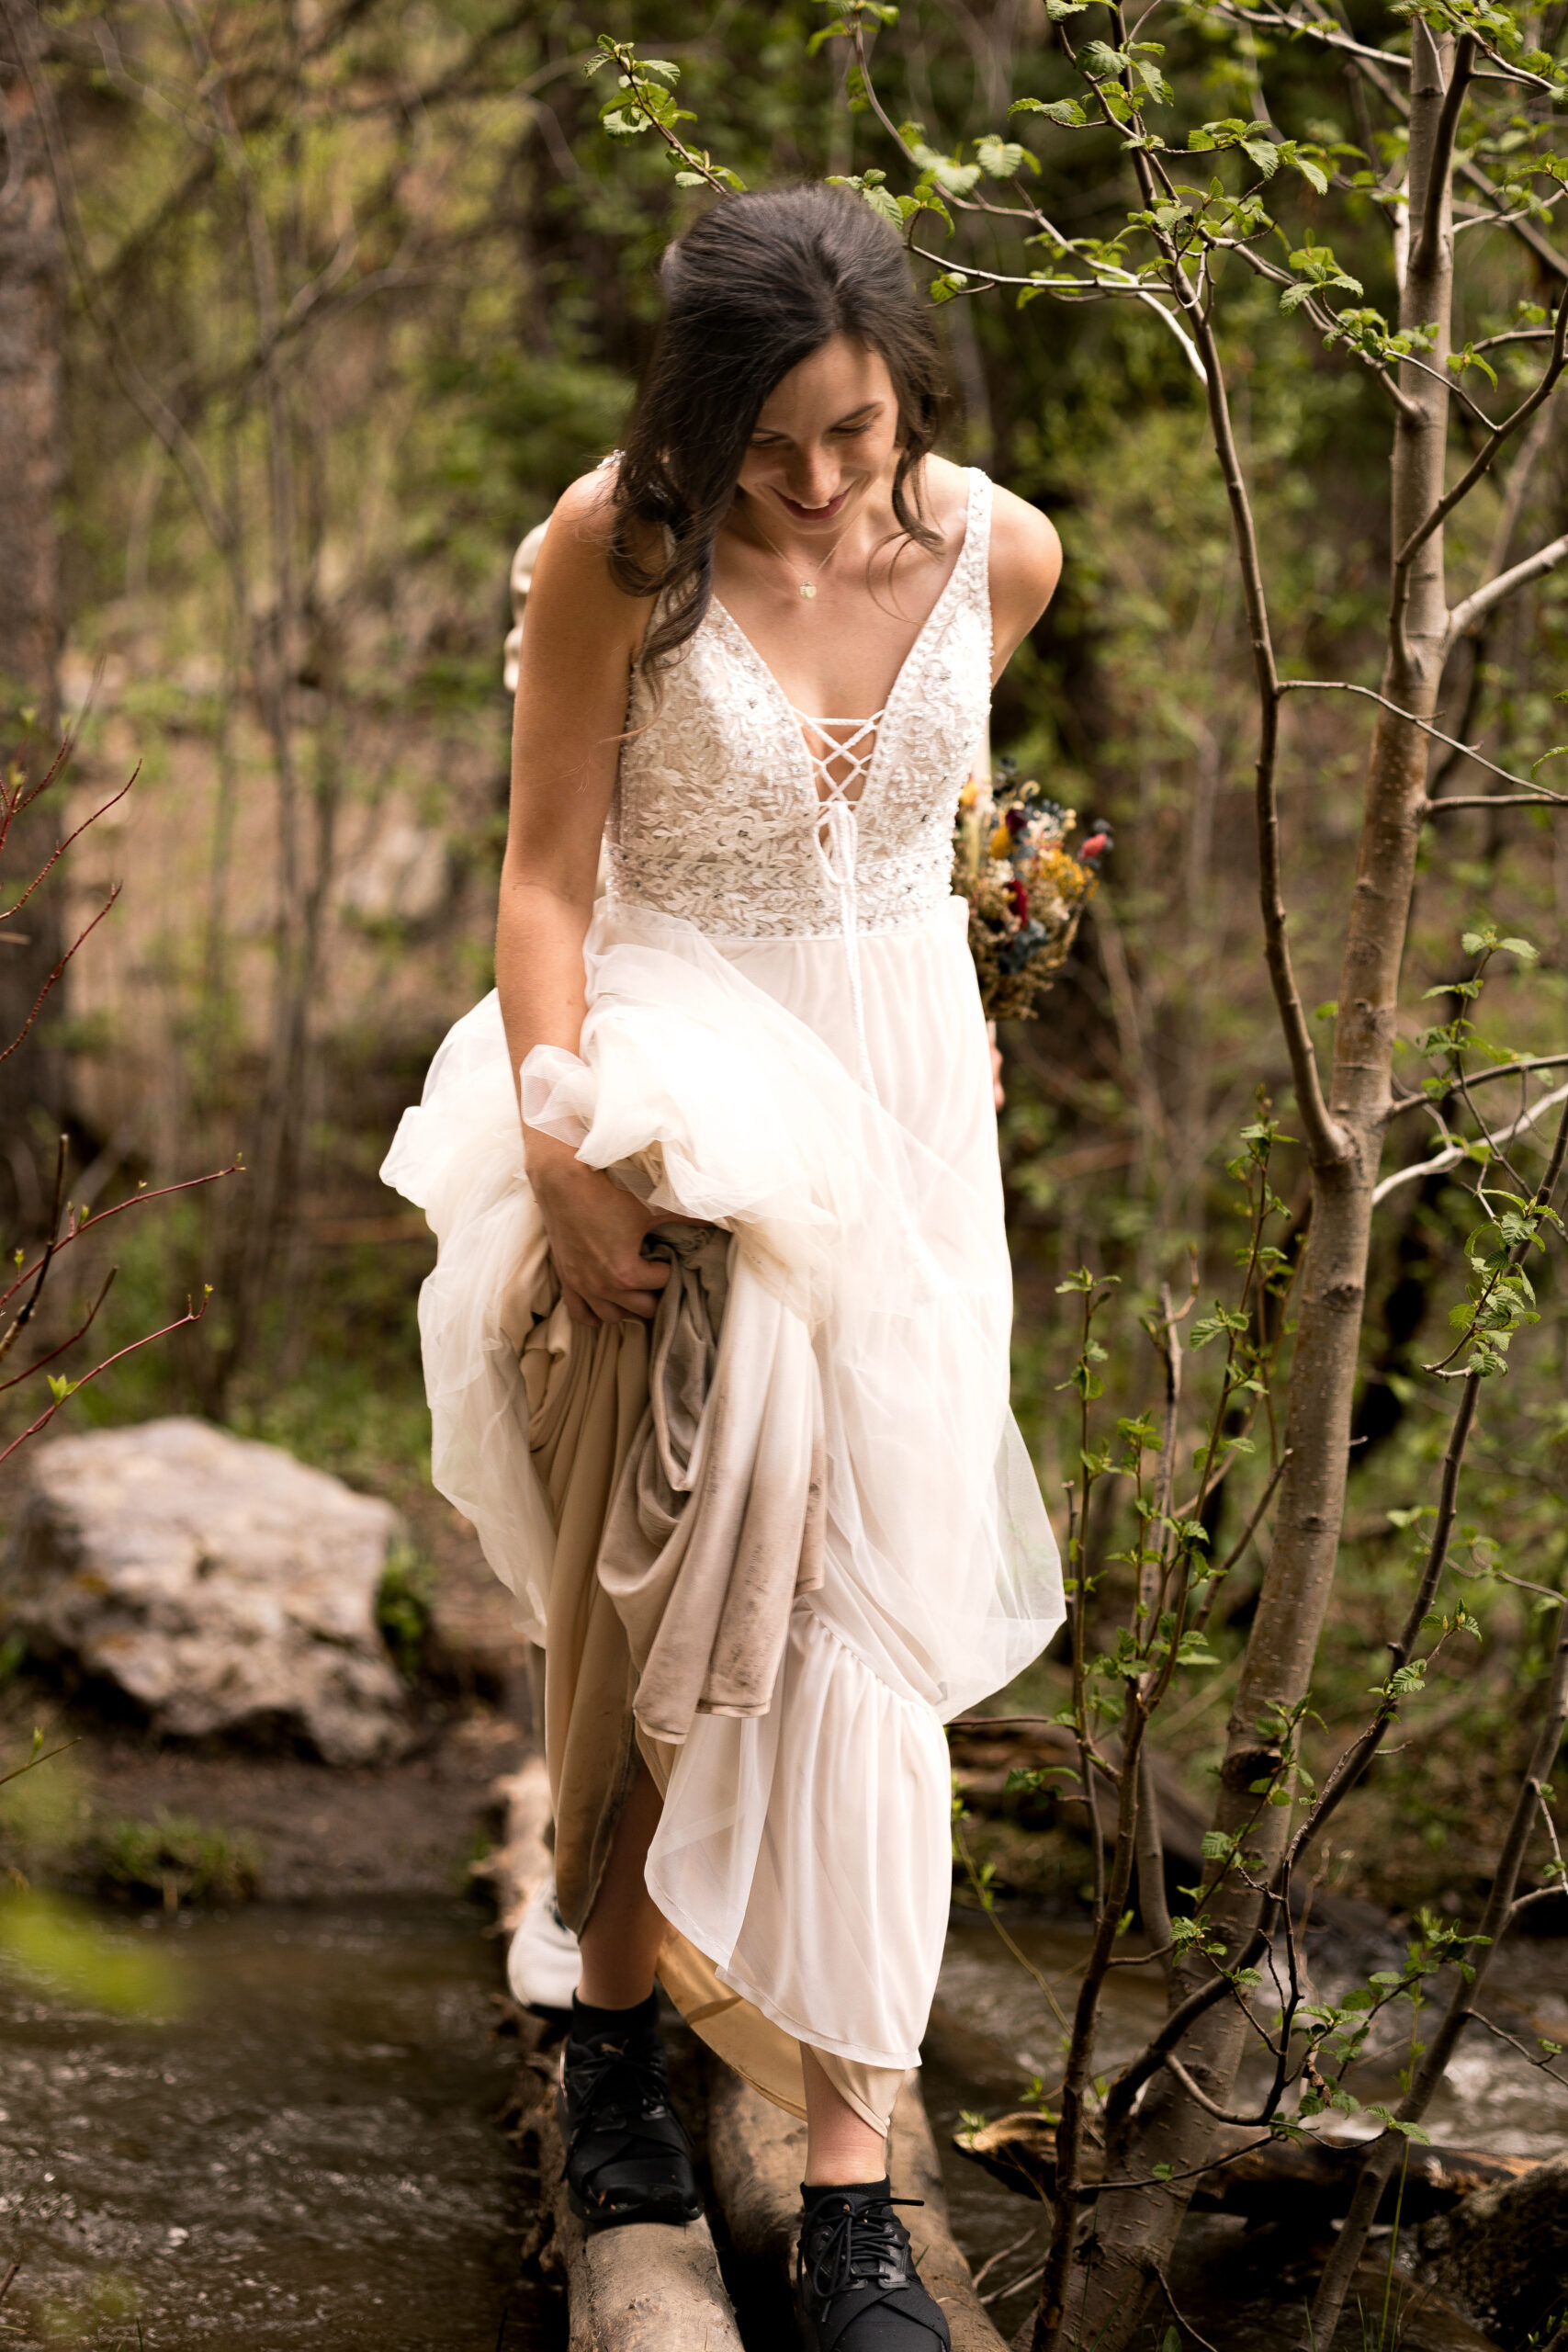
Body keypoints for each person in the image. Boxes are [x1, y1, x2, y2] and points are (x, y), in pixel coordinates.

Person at [383, 184, 1065, 2352]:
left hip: (909, 1123)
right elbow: (546, 875)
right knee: (689, 1542)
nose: (810, 479)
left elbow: (910, 860)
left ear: (905, 396)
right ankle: (611, 2044)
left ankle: (850, 2179)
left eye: (850, 433)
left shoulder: (1001, 554)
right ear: (696, 410)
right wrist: (563, 1132)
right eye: (768, 438)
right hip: (674, 1071)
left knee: (868, 1590)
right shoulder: (619, 546)